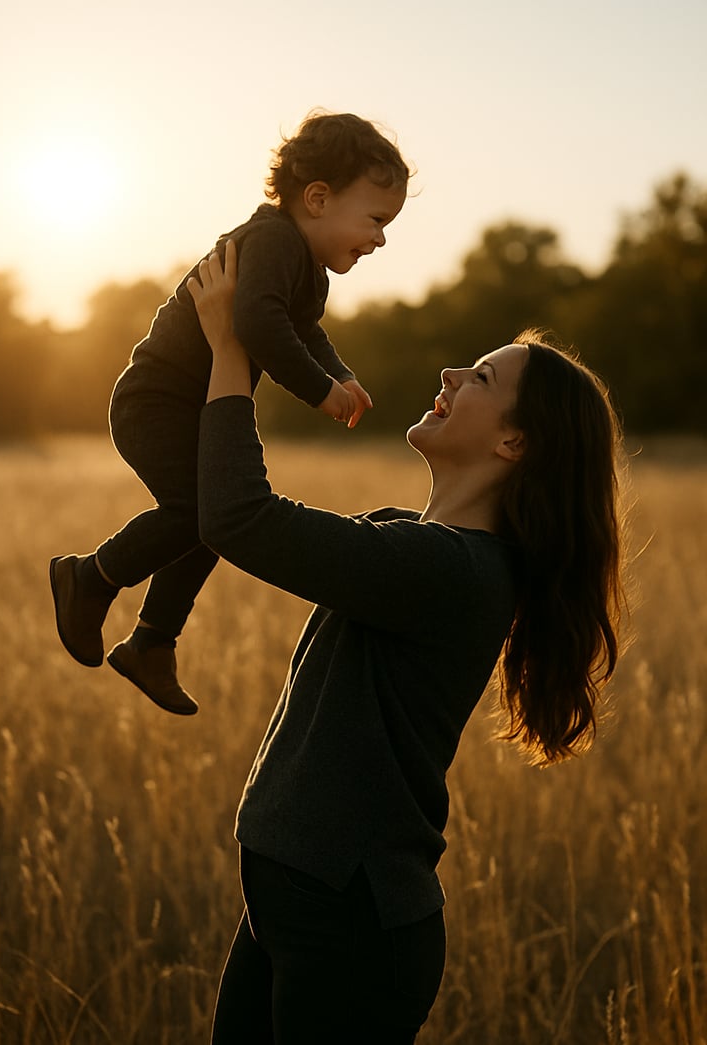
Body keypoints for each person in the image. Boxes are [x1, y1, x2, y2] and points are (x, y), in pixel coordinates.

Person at [187, 241, 627, 1044]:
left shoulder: (448, 570)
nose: (452, 376)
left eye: (482, 378)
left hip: (352, 927)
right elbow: (242, 510)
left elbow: (238, 517)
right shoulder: (409, 542)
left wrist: (230, 348)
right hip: (298, 901)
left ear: (513, 445)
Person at [49, 111, 410, 715]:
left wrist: (341, 372)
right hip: (157, 403)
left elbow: (303, 328)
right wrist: (319, 390)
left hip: (200, 409)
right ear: (317, 198)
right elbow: (257, 323)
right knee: (202, 510)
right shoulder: (270, 241)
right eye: (375, 219)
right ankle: (90, 578)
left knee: (218, 514)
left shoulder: (305, 268)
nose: (379, 238)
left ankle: (151, 643)